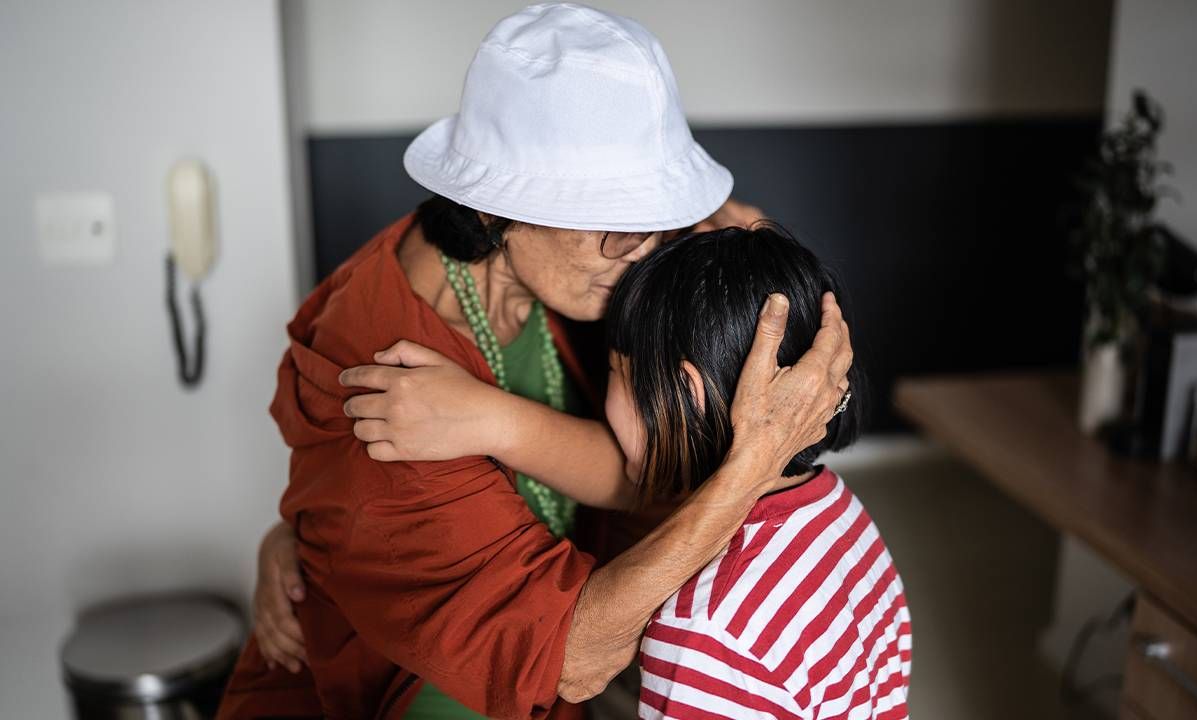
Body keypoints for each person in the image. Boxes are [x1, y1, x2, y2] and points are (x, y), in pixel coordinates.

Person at [218, 5, 853, 720]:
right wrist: (751, 467)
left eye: (655, 212)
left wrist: (740, 227)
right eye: (616, 220)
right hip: (427, 693)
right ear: (493, 210)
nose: (645, 248)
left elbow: (731, 255)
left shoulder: (583, 260)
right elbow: (570, 661)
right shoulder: (385, 391)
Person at [602, 226, 911, 719]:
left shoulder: (702, 629)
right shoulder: (839, 511)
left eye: (614, 375)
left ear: (687, 394)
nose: (602, 405)